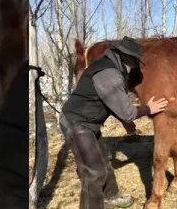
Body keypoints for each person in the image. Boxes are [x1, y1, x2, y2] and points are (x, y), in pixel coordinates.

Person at [59, 36, 168, 209]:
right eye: (135, 63)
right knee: (93, 172)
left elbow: (109, 101)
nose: (136, 67)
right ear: (129, 59)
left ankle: (110, 196)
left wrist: (126, 122)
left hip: (89, 121)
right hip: (76, 122)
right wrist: (148, 108)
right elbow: (127, 112)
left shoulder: (109, 64)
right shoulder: (110, 75)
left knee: (105, 159)